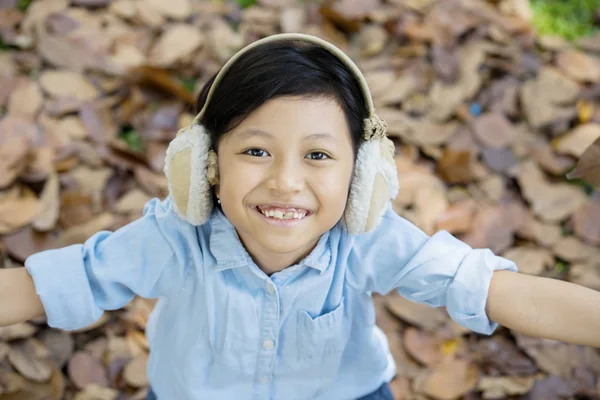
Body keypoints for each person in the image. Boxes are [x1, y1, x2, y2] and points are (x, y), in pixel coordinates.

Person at [1, 33, 599, 400]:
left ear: (362, 176)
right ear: (206, 165)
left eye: (318, 155)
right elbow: (52, 284)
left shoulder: (368, 239)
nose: (286, 180)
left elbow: (496, 291)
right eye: (255, 150)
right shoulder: (175, 240)